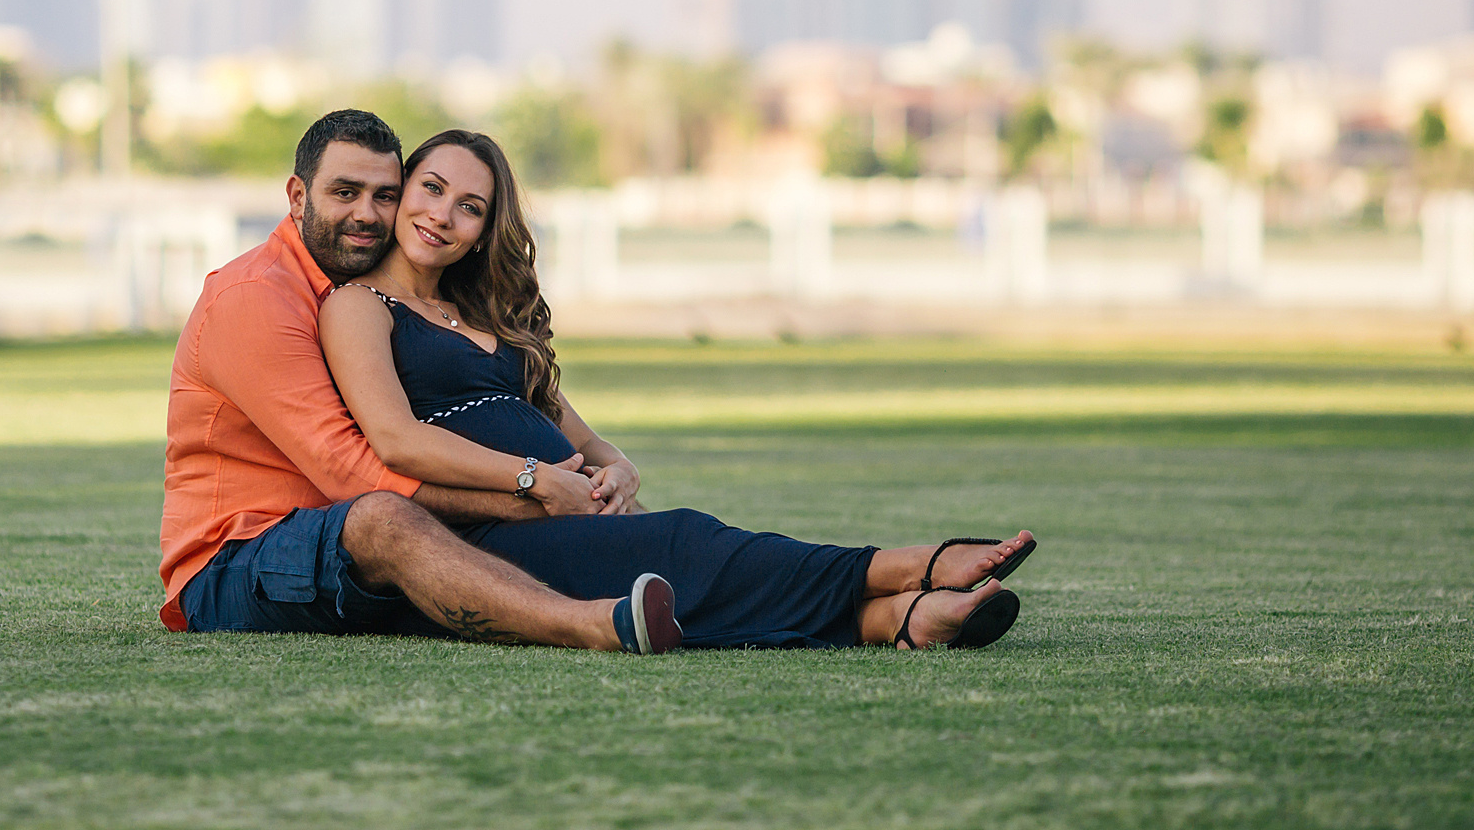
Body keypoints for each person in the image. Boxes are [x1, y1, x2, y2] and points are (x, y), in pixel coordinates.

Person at [159, 110, 1035, 653]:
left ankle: (893, 619)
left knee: (665, 544)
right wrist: (542, 490)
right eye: (354, 193)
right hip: (248, 556)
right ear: (295, 192)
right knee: (664, 545)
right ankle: (898, 567)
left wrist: (607, 469)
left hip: (396, 538)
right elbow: (363, 469)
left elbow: (569, 425)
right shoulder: (283, 300)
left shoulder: (427, 302)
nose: (378, 215)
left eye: (386, 195)